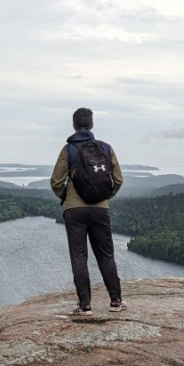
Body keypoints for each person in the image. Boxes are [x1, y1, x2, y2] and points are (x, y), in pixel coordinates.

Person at [50, 107, 125, 315]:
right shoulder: (106, 148)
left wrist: (67, 196)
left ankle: (85, 305)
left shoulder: (68, 150)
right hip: (100, 209)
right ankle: (116, 301)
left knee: (79, 256)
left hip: (74, 210)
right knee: (106, 255)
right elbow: (118, 179)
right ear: (91, 124)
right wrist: (105, 196)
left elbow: (56, 181)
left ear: (74, 125)